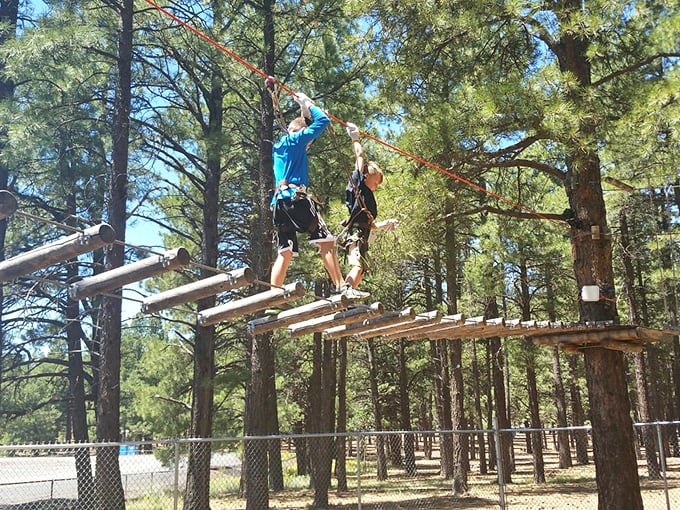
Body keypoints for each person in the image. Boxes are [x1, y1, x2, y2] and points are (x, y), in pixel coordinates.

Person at [269, 92, 369, 301]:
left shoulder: (280, 147)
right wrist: (309, 105)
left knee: (285, 251)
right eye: (308, 139)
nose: (309, 143)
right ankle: (342, 287)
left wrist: (304, 112)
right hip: (296, 199)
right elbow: (322, 121)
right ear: (301, 133)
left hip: (278, 204)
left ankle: (273, 298)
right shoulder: (296, 139)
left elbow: (305, 132)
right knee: (326, 241)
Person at [341, 122, 398, 290]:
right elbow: (359, 156)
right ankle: (345, 291)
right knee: (357, 265)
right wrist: (355, 138)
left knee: (362, 269)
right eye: (376, 182)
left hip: (363, 234)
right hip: (355, 233)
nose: (377, 186)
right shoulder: (357, 183)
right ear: (367, 176)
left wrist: (384, 224)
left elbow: (371, 225)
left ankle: (350, 294)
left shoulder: (368, 198)